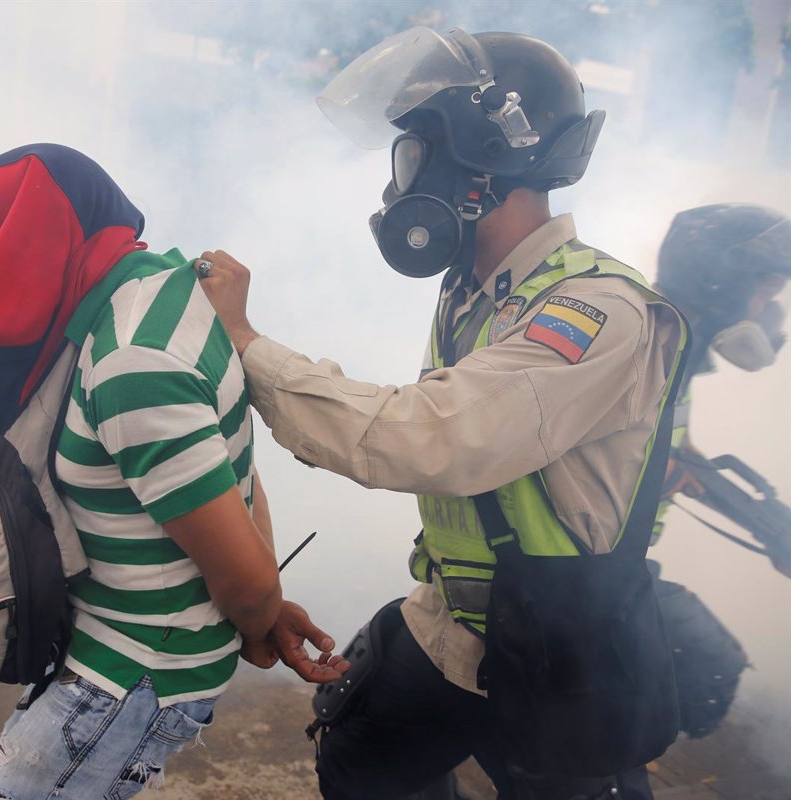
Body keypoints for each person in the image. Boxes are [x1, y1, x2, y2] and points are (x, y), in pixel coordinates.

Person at [197, 28, 687, 800]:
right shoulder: (474, 290)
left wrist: (246, 344)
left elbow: (433, 437)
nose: (399, 187)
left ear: (480, 163)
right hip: (460, 620)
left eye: (413, 155)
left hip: (562, 647)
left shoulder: (597, 311)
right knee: (357, 761)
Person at [0, 144, 346, 800]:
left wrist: (259, 612)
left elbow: (242, 578)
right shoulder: (151, 289)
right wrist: (263, 612)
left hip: (123, 678)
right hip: (123, 660)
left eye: (0, 251)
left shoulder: (133, 358)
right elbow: (225, 472)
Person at [648, 203, 791, 737]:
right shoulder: (645, 350)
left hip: (598, 568)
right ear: (721, 284)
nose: (771, 314)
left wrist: (766, 523)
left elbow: (675, 452)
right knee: (708, 669)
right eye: (767, 293)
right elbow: (640, 463)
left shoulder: (673, 349)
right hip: (578, 575)